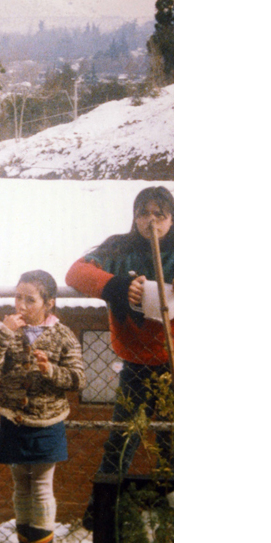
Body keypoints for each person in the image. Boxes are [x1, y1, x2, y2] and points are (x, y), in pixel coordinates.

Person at [65, 186, 174, 531]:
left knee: (175, 442)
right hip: (137, 364)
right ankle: (102, 511)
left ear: (172, 217)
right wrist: (117, 287)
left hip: (178, 364)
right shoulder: (119, 247)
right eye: (144, 213)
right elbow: (76, 273)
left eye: (161, 213)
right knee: (122, 440)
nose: (152, 221)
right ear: (134, 216)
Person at [0, 270, 86, 543]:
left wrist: (50, 370)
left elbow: (78, 379)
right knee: (21, 485)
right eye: (18, 297)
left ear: (48, 302)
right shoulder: (6, 329)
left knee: (40, 485)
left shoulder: (63, 335)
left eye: (30, 300)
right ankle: (25, 539)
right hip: (13, 419)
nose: (21, 306)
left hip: (47, 422)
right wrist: (3, 333)